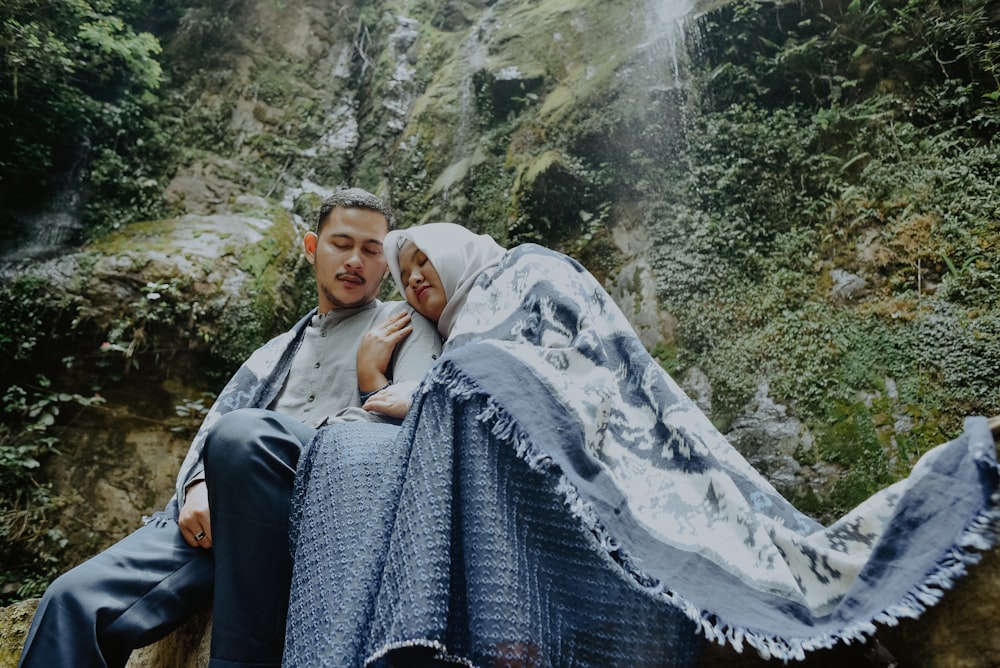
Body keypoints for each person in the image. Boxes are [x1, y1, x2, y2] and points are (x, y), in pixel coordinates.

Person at [282, 222, 999, 668]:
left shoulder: (525, 268)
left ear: (456, 251)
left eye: (420, 264)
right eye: (404, 278)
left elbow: (574, 361)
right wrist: (394, 382)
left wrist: (443, 386)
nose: (412, 280)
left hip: (610, 441)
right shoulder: (455, 338)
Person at [17, 188, 443, 668]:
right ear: (311, 247)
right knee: (71, 600)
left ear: (387, 263)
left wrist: (371, 383)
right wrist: (199, 483)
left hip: (319, 512)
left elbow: (412, 429)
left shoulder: (404, 322)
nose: (354, 261)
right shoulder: (273, 351)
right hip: (222, 519)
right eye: (340, 244)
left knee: (244, 437)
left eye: (371, 250)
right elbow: (213, 428)